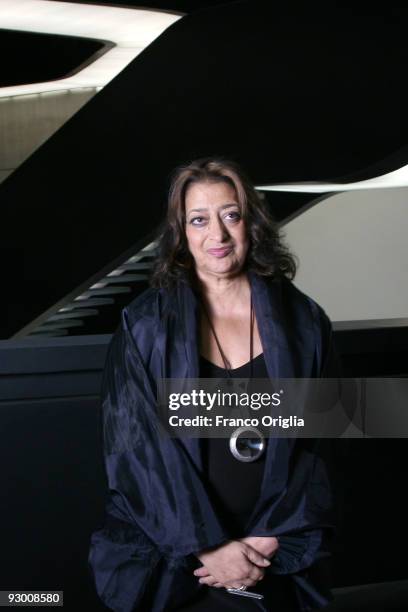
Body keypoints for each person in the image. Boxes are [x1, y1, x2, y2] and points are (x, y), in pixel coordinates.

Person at [88, 157, 339, 612]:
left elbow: (322, 441)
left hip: (273, 550)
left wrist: (271, 538)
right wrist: (208, 546)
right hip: (180, 555)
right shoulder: (144, 324)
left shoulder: (304, 320)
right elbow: (134, 451)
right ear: (181, 234)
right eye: (199, 220)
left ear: (253, 224)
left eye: (231, 215)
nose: (217, 236)